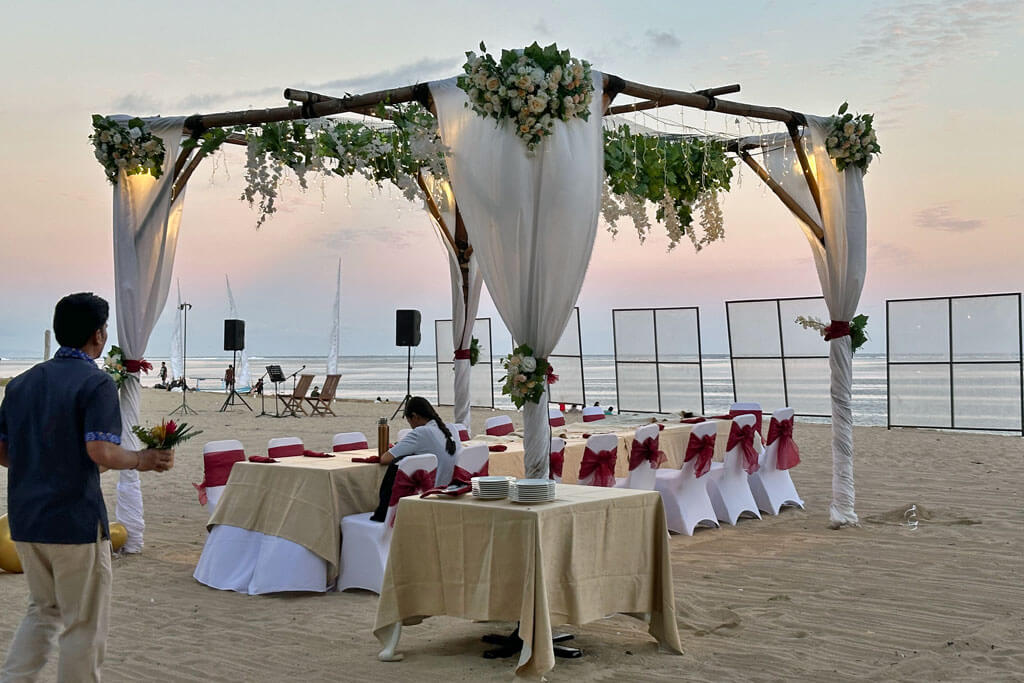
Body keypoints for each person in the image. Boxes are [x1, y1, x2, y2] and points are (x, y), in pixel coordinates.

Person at [0, 292, 174, 681]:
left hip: (26, 521)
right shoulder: (96, 383)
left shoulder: (21, 384)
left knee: (43, 610)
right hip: (74, 522)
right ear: (98, 335)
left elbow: (4, 451)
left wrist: (43, 461)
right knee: (83, 623)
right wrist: (142, 460)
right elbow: (101, 451)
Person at [371, 396, 459, 522]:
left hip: (431, 494)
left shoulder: (421, 432)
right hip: (451, 491)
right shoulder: (451, 429)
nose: (412, 427)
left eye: (409, 422)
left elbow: (385, 458)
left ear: (415, 416)